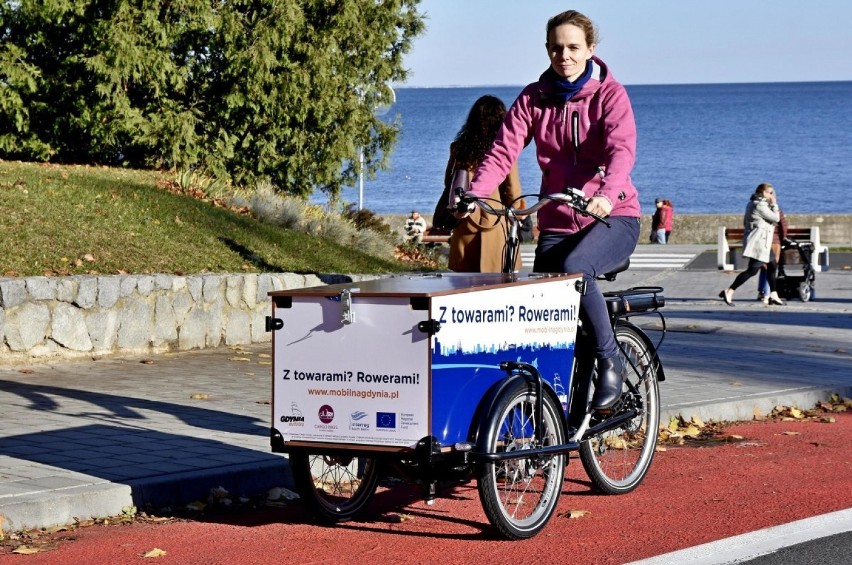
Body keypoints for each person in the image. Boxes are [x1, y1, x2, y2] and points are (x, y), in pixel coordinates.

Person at [462, 10, 641, 410]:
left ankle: (611, 359)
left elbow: (621, 151)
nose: (565, 55)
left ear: (590, 49)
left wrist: (607, 195)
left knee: (577, 269)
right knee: (542, 300)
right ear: (547, 50)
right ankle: (555, 406)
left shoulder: (610, 95)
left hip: (613, 215)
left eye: (574, 47)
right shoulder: (533, 98)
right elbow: (502, 151)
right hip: (559, 218)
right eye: (557, 47)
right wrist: (474, 195)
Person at [445, 95, 523, 273]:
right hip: (495, 221)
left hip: (464, 219)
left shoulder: (459, 147)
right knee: (498, 284)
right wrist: (516, 214)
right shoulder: (503, 151)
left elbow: (449, 182)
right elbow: (513, 190)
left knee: (464, 286)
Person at [719, 183, 785, 306]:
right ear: (763, 193)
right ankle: (729, 291)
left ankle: (773, 294)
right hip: (759, 243)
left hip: (762, 242)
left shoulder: (752, 203)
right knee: (752, 270)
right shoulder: (759, 205)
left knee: (772, 265)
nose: (772, 195)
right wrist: (774, 204)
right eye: (770, 193)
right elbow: (776, 219)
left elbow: (746, 222)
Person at [757, 205, 788, 302]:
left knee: (763, 267)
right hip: (774, 241)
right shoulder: (777, 210)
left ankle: (761, 291)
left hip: (760, 240)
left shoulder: (759, 208)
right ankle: (767, 294)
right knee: (771, 268)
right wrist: (782, 238)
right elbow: (783, 226)